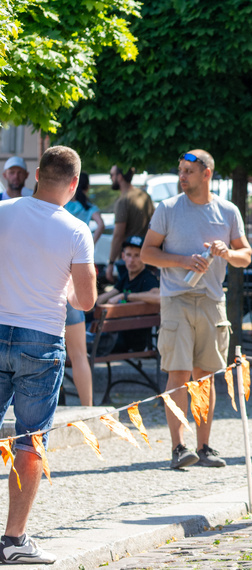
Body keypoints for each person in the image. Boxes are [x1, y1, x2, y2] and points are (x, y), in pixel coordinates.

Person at [0, 145, 96, 564]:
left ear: (37, 174)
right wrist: (66, 290)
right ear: (74, 184)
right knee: (30, 440)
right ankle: (13, 541)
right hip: (41, 337)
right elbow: (87, 299)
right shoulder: (76, 229)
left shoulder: (3, 212)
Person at [141, 149, 252, 470]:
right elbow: (147, 253)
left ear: (207, 173)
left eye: (189, 170)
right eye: (180, 170)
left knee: (206, 376)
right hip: (176, 299)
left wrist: (228, 252)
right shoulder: (168, 209)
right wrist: (182, 260)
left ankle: (204, 447)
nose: (182, 176)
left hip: (212, 301)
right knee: (178, 374)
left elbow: (245, 256)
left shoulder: (228, 211)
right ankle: (179, 447)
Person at [63, 172, 106, 406]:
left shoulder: (63, 205)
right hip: (76, 272)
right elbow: (101, 224)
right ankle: (87, 408)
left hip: (53, 277)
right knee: (79, 353)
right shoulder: (88, 207)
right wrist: (92, 241)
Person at [94, 235, 161, 354]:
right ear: (123, 256)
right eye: (129, 255)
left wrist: (125, 296)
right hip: (116, 334)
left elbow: (158, 297)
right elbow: (107, 296)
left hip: (131, 340)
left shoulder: (148, 278)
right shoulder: (126, 277)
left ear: (144, 257)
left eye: (137, 256)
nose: (131, 260)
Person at [106, 165, 154, 283]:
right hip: (146, 256)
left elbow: (118, 235)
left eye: (112, 175)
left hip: (130, 259)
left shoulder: (123, 201)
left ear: (120, 177)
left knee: (127, 296)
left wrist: (111, 263)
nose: (111, 178)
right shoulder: (144, 196)